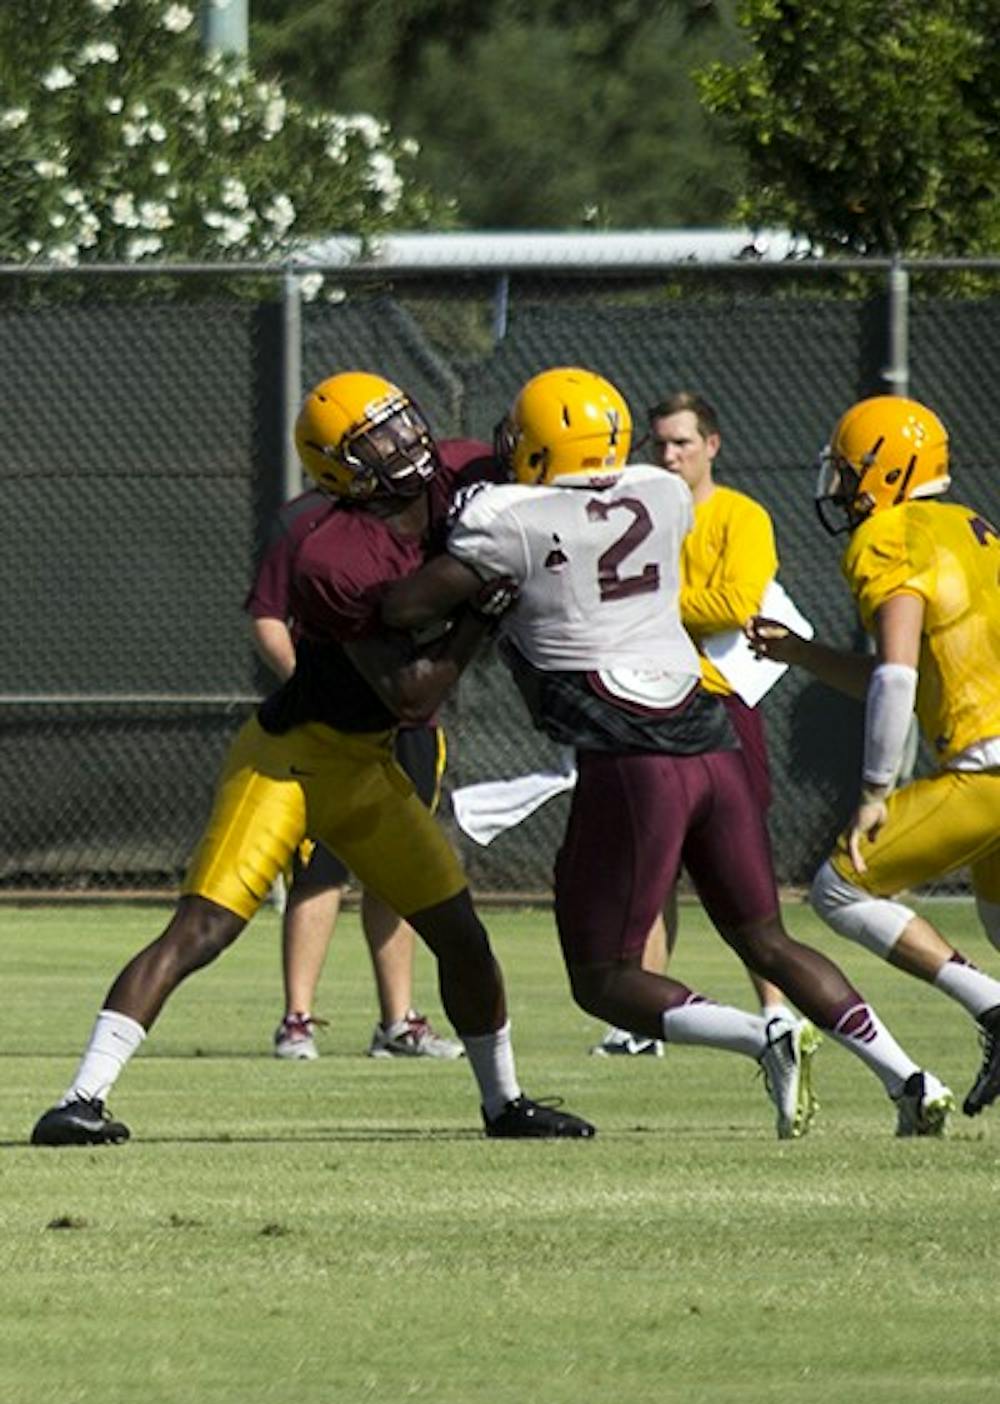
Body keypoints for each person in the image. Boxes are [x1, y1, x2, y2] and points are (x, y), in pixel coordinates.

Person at [382, 365, 954, 1139]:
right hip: (711, 734)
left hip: (631, 758)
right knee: (767, 938)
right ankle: (911, 1077)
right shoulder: (661, 491)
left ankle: (763, 1035)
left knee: (603, 980)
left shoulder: (508, 519)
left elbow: (405, 604)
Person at [30, 370, 595, 1146]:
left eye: (402, 423)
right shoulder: (332, 553)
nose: (406, 444)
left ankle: (504, 1104)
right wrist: (481, 613)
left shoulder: (463, 473)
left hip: (368, 770)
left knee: (462, 933)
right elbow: (410, 696)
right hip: (291, 761)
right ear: (340, 467)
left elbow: (539, 465)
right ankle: (79, 1099)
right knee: (203, 928)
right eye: (379, 440)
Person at [747, 392, 1000, 1119]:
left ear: (887, 470)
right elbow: (896, 667)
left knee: (840, 889)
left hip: (984, 768)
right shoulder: (970, 527)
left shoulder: (891, 534)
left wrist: (874, 787)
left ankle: (991, 1007)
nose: (841, 487)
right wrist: (800, 654)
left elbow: (896, 675)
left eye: (852, 471)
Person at [593, 389, 792, 1057]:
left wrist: (649, 604)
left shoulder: (742, 515)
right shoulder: (639, 514)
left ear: (713, 444)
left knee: (739, 867)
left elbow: (736, 602)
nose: (670, 455)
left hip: (720, 701)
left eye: (682, 442)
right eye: (660, 444)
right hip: (646, 699)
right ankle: (643, 1016)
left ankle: (776, 1010)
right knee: (649, 860)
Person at [246, 497, 464, 1062]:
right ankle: (297, 1020)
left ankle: (398, 1022)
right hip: (328, 730)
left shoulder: (428, 517)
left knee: (400, 871)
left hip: (406, 727)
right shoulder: (306, 523)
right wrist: (314, 685)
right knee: (321, 870)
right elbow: (268, 616)